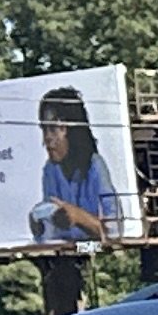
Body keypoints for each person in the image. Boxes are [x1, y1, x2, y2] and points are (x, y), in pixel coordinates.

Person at [28, 86, 121, 250]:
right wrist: (41, 226)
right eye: (44, 129)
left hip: (98, 251)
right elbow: (50, 235)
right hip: (68, 254)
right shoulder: (50, 170)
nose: (48, 138)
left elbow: (115, 233)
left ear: (72, 130)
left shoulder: (95, 166)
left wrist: (78, 217)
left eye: (54, 129)